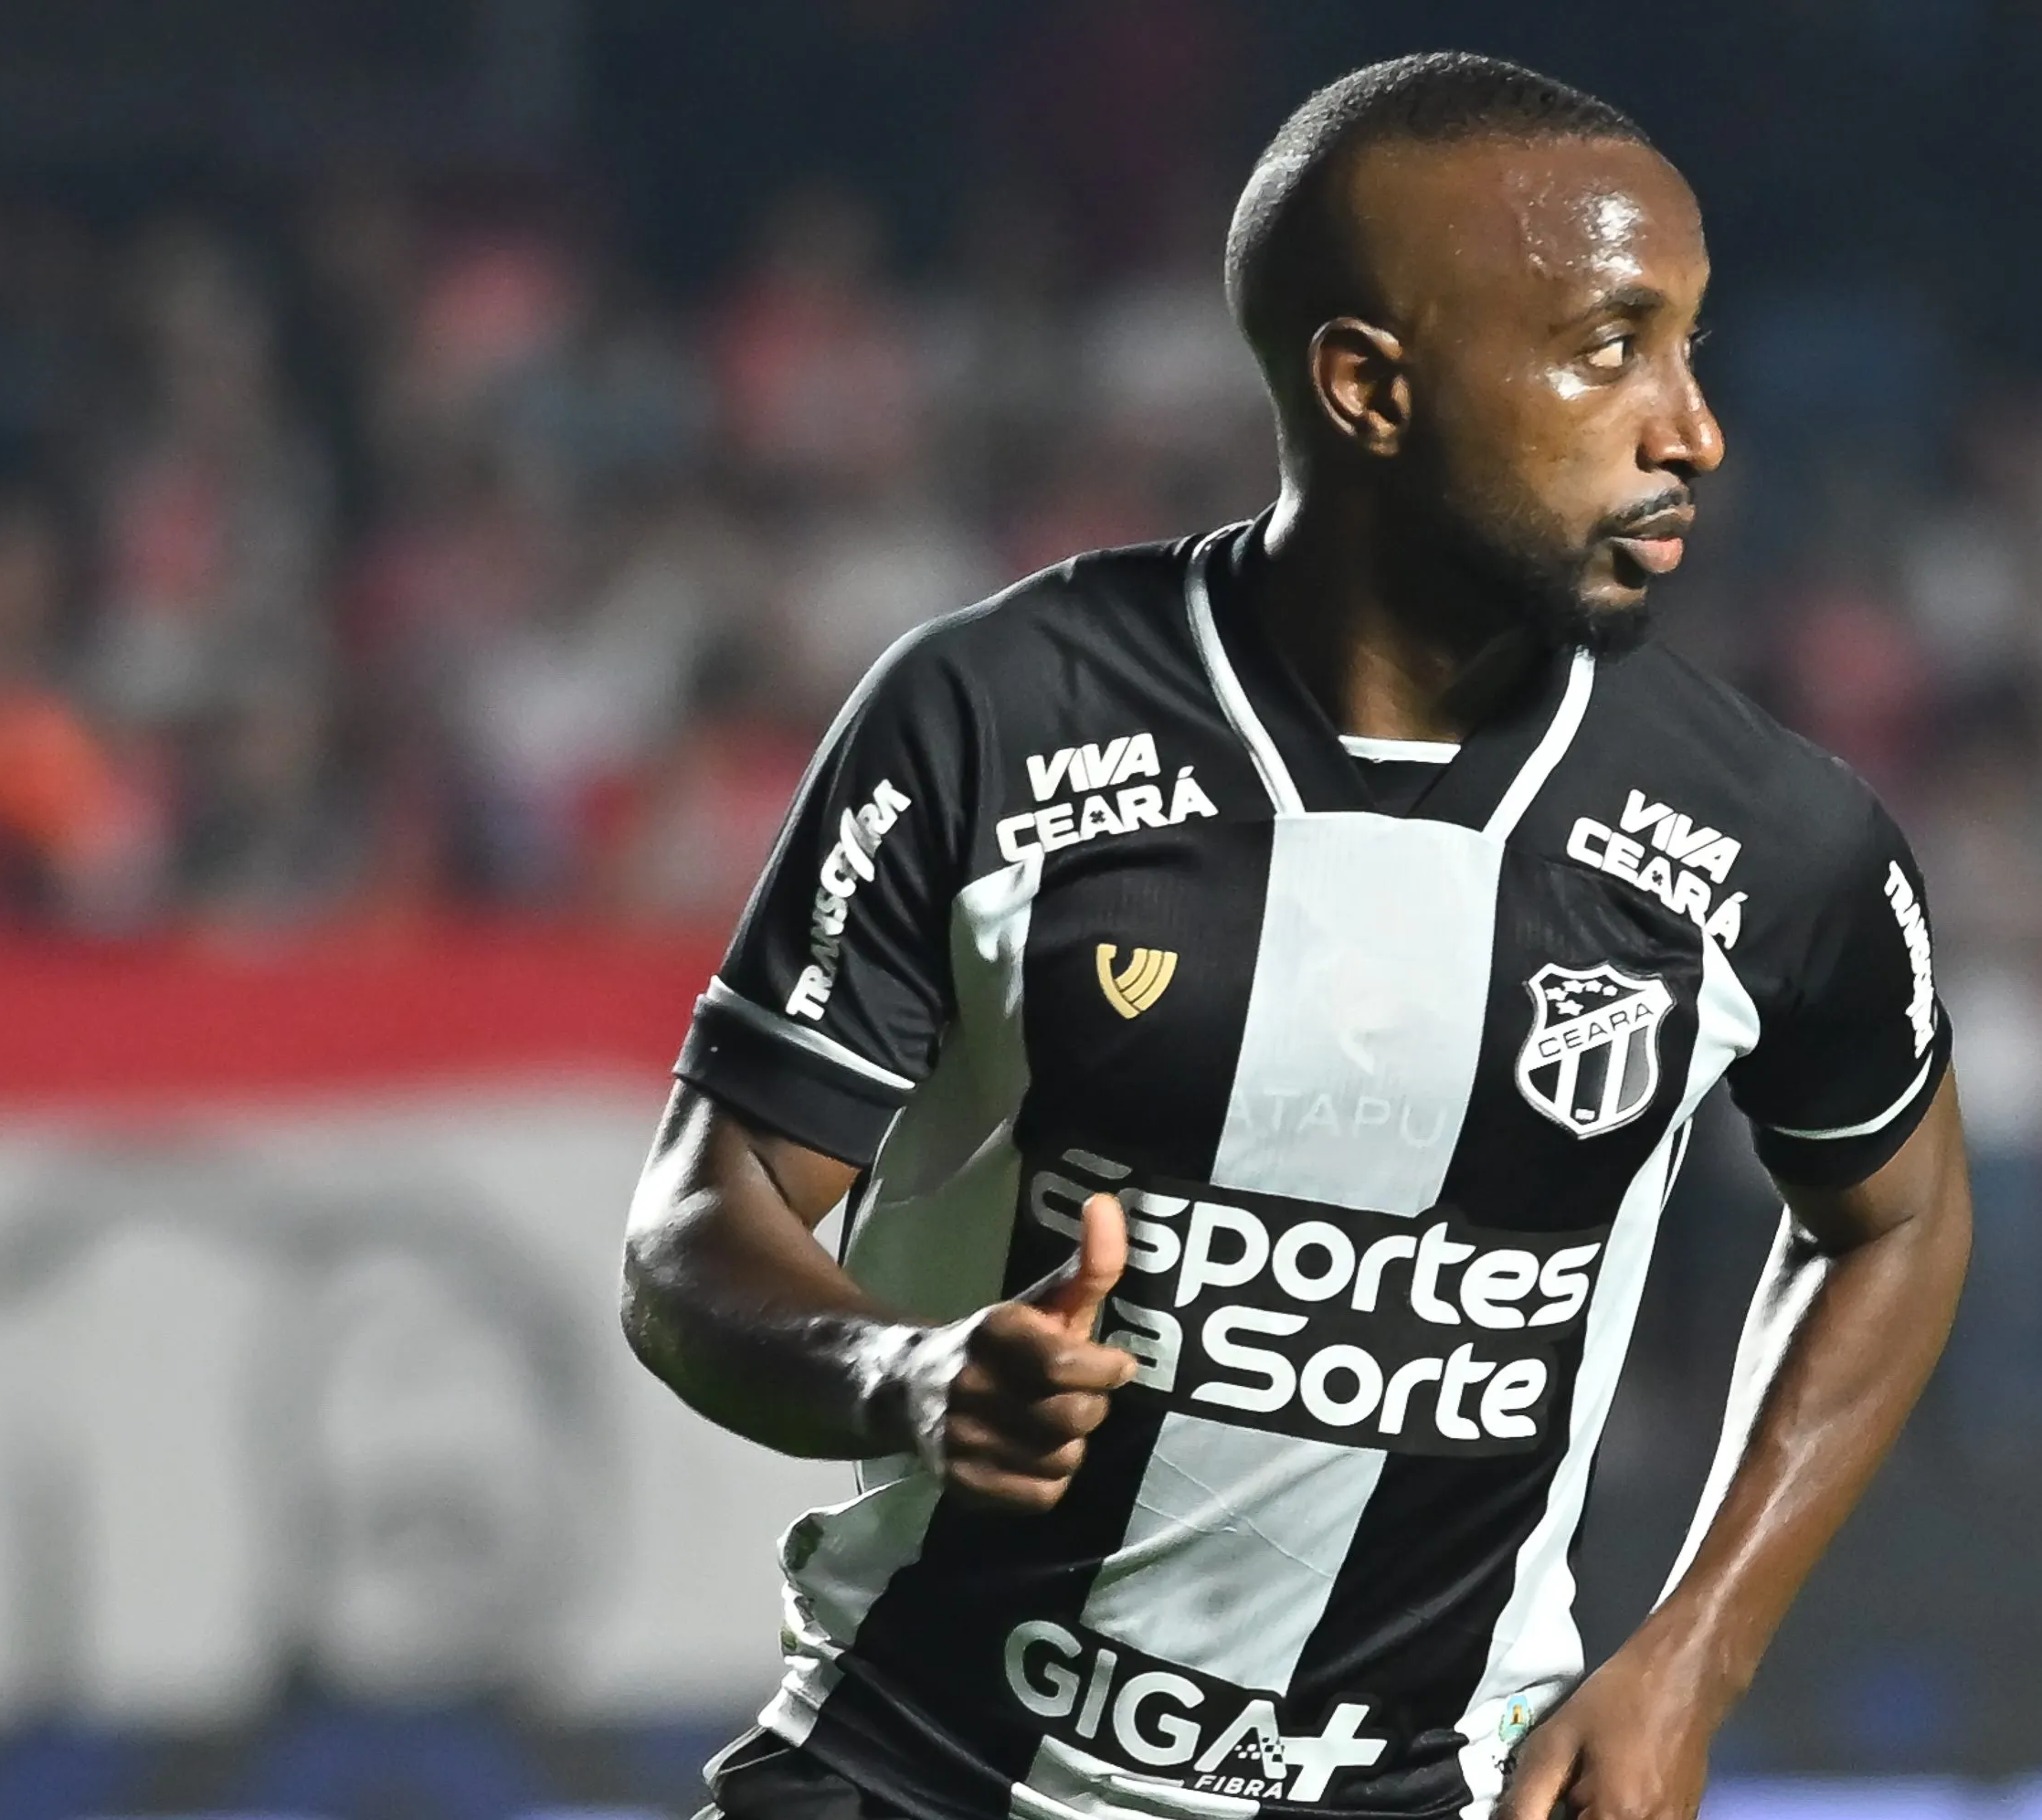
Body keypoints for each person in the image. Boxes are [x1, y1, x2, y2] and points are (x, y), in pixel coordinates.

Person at [620, 52, 1972, 1820]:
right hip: (920, 1775)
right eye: (1605, 348)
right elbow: (691, 1241)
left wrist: (1694, 1648)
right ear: (1366, 388)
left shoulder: (1769, 841)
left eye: (1687, 348)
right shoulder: (992, 716)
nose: (1688, 428)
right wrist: (908, 1370)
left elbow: (1901, 1217)